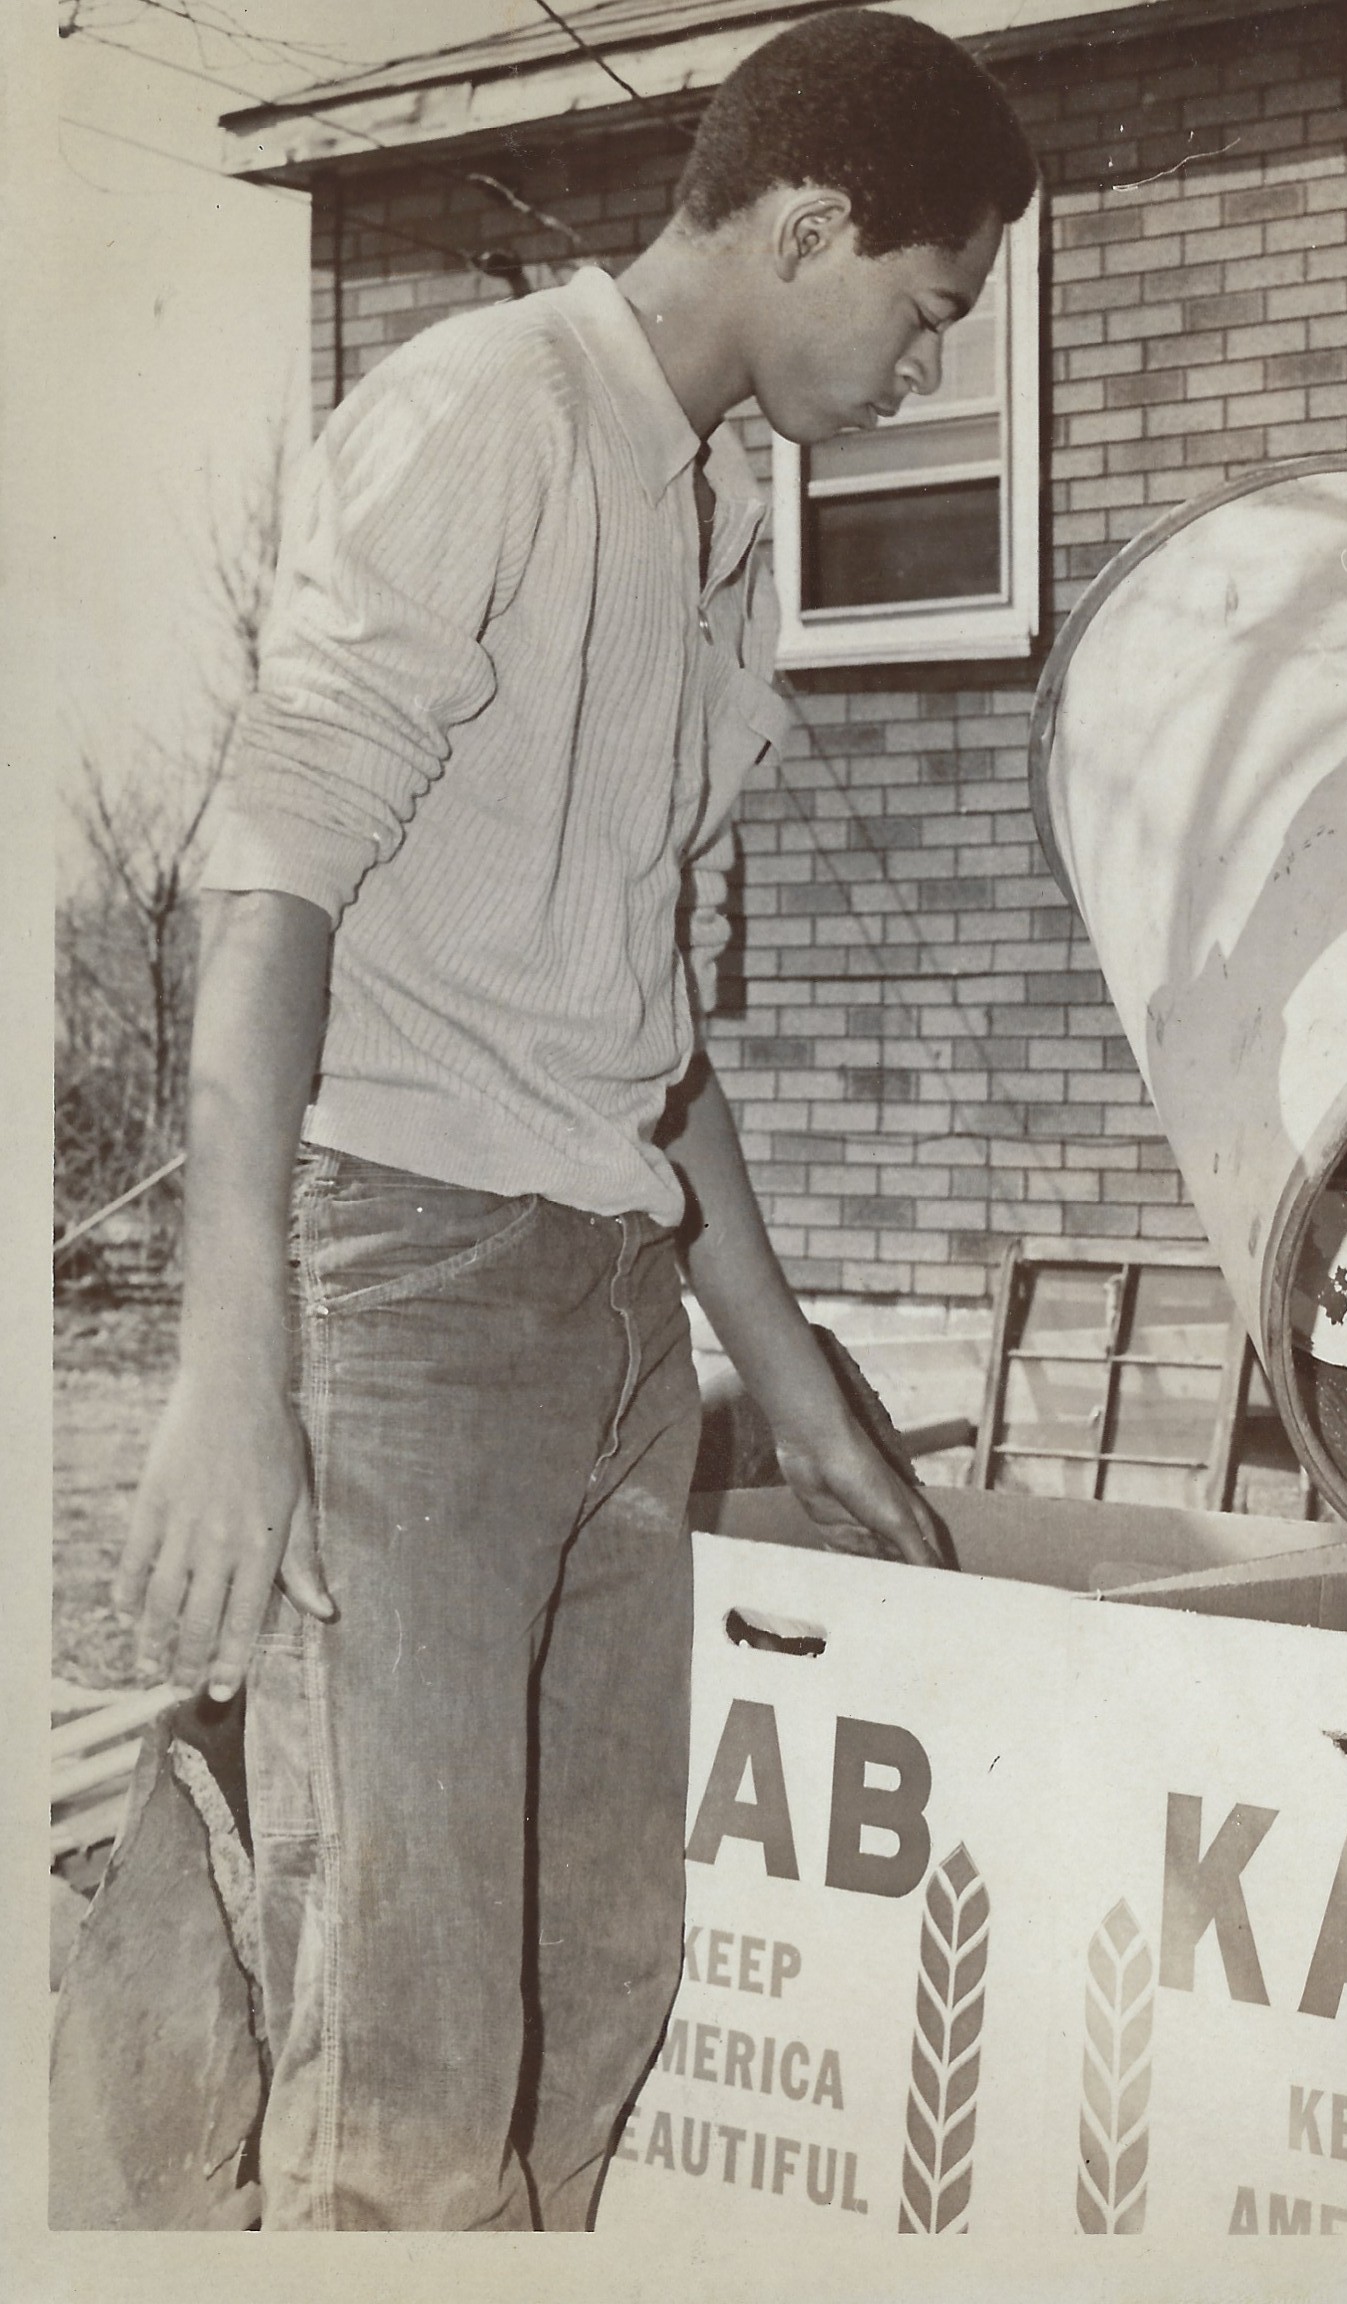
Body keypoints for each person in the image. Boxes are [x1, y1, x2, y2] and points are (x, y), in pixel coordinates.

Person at [110, 10, 1038, 2230]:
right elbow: (264, 894)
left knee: (600, 1976)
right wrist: (231, 1375)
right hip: (422, 1290)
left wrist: (791, 1379)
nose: (926, 376)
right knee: (416, 2044)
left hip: (618, 1309)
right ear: (809, 226)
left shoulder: (715, 522)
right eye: (924, 319)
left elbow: (649, 1027)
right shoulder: (482, 420)